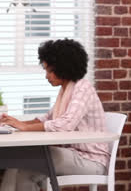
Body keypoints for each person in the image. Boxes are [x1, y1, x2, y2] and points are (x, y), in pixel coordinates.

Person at [0, 39, 109, 191]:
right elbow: (46, 119)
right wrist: (14, 121)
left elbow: (65, 124)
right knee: (16, 164)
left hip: (90, 160)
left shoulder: (83, 88)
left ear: (64, 68)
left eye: (50, 70)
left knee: (25, 166)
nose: (47, 76)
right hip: (72, 155)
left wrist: (24, 127)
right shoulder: (65, 91)